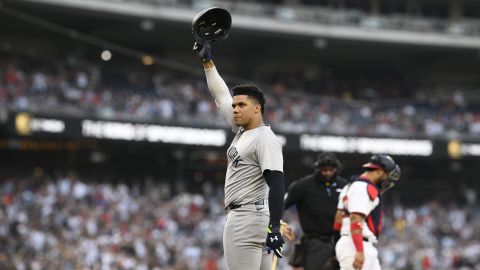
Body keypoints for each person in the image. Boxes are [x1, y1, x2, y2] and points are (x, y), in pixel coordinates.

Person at [193, 41, 285, 270]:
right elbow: (220, 96)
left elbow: (277, 185)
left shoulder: (264, 138)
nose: (234, 109)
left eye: (241, 105)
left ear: (257, 109)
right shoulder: (242, 131)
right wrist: (207, 62)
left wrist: (274, 228)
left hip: (246, 219)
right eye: (235, 106)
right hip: (255, 217)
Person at [334, 154, 401, 270]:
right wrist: (359, 251)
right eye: (387, 175)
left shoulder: (351, 186)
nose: (387, 180)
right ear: (379, 171)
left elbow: (338, 220)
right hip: (356, 245)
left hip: (354, 243)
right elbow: (355, 218)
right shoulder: (363, 187)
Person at [285, 152, 348, 270]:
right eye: (324, 170)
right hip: (315, 244)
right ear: (317, 168)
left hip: (341, 243)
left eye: (331, 170)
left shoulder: (345, 186)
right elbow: (281, 206)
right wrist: (276, 224)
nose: (328, 173)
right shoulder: (302, 186)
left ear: (337, 169)